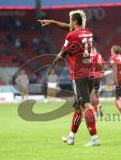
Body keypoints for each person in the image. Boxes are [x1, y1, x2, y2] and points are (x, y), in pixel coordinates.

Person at [43, 10, 100, 146]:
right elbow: (70, 29)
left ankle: (94, 138)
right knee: (78, 107)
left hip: (79, 75)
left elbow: (63, 52)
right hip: (90, 73)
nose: (69, 23)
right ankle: (71, 137)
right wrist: (53, 22)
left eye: (70, 21)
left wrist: (54, 62)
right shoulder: (88, 33)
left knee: (85, 106)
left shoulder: (71, 35)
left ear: (74, 22)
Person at [90, 46, 105, 117]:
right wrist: (102, 71)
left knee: (91, 95)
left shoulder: (86, 55)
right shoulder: (98, 55)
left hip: (90, 76)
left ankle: (96, 109)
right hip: (97, 76)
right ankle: (98, 109)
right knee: (96, 94)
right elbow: (100, 63)